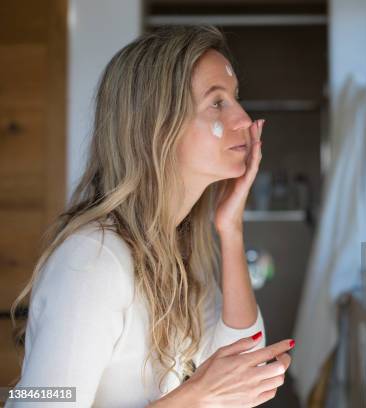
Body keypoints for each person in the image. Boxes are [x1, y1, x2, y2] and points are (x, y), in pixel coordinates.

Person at [8, 25, 293, 407]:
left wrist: (231, 229)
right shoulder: (92, 261)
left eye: (235, 98)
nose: (243, 118)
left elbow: (242, 376)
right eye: (216, 103)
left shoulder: (181, 247)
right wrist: (195, 396)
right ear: (157, 128)